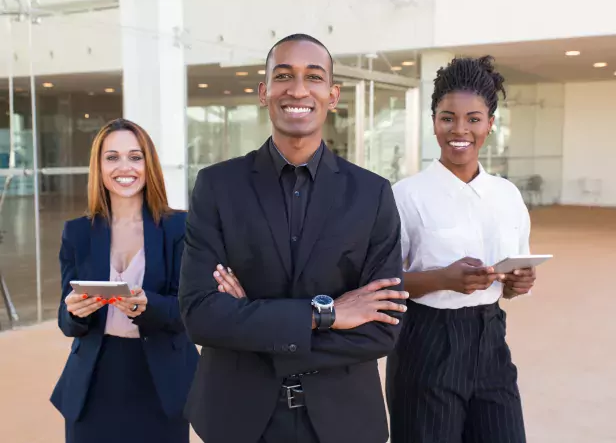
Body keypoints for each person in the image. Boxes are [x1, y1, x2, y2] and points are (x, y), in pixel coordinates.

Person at [179, 33, 409, 443]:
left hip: (343, 422)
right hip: (238, 419)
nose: (298, 89)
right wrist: (328, 315)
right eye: (284, 75)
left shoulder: (372, 194)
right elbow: (201, 315)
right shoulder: (217, 187)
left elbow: (381, 329)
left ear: (333, 94)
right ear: (264, 92)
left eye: (313, 77)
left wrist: (251, 321)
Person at [386, 55, 536, 443]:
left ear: (490, 123)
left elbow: (515, 275)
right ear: (433, 120)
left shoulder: (507, 195)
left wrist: (520, 282)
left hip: (491, 341)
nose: (460, 129)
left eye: (473, 118)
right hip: (427, 345)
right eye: (447, 117)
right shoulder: (406, 196)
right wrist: (442, 279)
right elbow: (382, 283)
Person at [50, 118, 199, 443]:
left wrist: (151, 306)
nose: (124, 167)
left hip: (161, 382)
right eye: (112, 157)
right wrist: (75, 310)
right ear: (99, 166)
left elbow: (192, 311)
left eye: (135, 156)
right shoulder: (77, 232)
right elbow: (66, 322)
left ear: (149, 164)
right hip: (94, 382)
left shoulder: (180, 228)